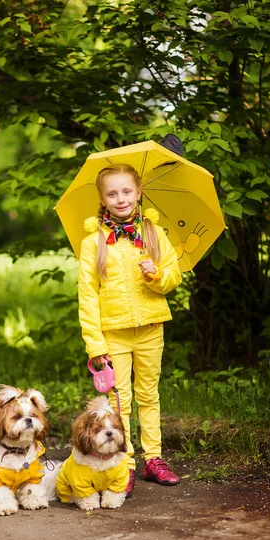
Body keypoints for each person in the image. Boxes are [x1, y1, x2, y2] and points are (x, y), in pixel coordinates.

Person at [78, 162, 182, 497]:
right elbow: (87, 296)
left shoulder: (153, 233)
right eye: (112, 193)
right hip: (113, 333)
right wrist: (95, 344)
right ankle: (125, 463)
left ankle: (154, 457)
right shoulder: (93, 243)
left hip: (151, 328)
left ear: (138, 193)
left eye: (127, 191)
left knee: (149, 395)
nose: (120, 199)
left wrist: (157, 275)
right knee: (118, 402)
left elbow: (173, 278)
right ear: (102, 198)